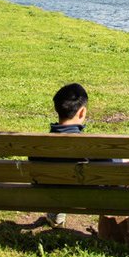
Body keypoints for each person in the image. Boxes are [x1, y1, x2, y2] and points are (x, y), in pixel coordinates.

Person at [33, 83, 89, 228]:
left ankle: (56, 212)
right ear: (82, 112)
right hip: (90, 199)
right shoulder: (92, 147)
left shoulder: (36, 146)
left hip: (48, 195)